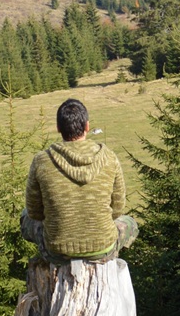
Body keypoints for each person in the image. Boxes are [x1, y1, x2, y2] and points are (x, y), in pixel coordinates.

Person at [22, 98, 138, 262]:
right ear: (87, 126)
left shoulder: (41, 160)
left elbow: (34, 212)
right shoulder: (109, 158)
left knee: (24, 216)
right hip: (103, 248)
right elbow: (117, 210)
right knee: (130, 223)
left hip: (56, 251)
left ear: (58, 128)